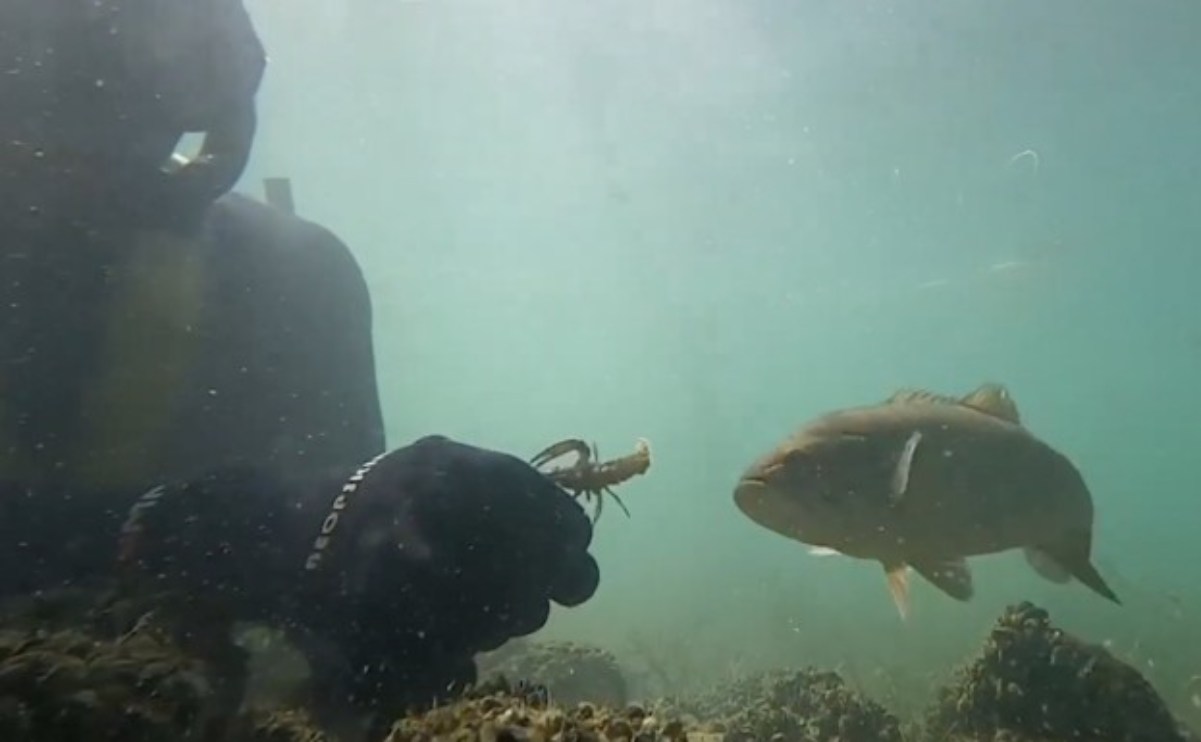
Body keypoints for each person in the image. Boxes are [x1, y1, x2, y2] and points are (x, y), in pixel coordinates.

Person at [0, 0, 599, 734]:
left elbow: (353, 646)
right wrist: (187, 526)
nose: (87, 163)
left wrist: (389, 552)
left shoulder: (291, 278)